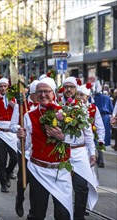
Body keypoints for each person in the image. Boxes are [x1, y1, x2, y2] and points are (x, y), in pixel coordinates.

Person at [17, 77, 73, 220]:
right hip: (38, 170)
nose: (43, 95)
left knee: (63, 214)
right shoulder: (29, 115)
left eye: (46, 91)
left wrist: (62, 137)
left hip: (60, 172)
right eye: (39, 92)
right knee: (37, 214)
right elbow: (26, 147)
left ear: (53, 93)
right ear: (35, 95)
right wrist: (21, 138)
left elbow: (78, 139)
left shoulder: (66, 113)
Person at [62, 76, 98, 220]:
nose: (69, 90)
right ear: (63, 89)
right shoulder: (56, 105)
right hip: (62, 152)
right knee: (63, 189)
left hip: (80, 152)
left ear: (76, 89)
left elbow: (88, 132)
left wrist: (92, 152)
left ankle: (79, 217)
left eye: (72, 87)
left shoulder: (82, 106)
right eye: (66, 87)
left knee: (81, 187)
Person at [10, 80, 39, 218]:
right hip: (24, 149)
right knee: (23, 180)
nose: (41, 96)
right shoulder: (20, 105)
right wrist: (19, 130)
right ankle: (19, 199)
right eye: (37, 93)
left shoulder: (47, 107)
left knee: (36, 184)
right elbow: (12, 125)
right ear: (32, 93)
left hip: (39, 151)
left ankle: (34, 211)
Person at [77, 83, 105, 168]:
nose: (79, 97)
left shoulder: (93, 108)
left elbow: (100, 126)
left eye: (81, 95)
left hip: (89, 142)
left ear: (88, 97)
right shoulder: (73, 107)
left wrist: (101, 140)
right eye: (77, 94)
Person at [89, 79, 113, 166]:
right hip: (105, 117)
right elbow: (111, 109)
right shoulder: (107, 98)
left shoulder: (92, 98)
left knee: (96, 137)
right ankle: (100, 159)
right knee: (101, 137)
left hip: (95, 117)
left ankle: (98, 158)